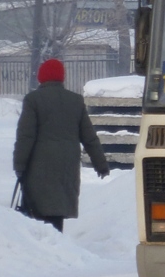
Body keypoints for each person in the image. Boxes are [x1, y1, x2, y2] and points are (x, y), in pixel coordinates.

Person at [13, 58, 110, 232]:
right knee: (56, 213)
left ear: (41, 77)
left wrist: (19, 165)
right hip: (67, 167)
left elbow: (25, 137)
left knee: (37, 214)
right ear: (61, 77)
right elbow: (89, 138)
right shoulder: (75, 101)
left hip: (38, 168)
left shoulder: (33, 100)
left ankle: (42, 252)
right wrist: (101, 165)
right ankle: (58, 246)